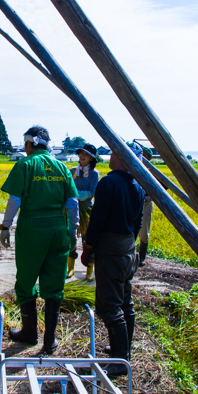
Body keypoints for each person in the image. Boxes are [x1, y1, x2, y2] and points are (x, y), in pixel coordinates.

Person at [0, 126, 79, 355]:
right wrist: (72, 232)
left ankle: (30, 333)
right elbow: (72, 203)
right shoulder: (61, 167)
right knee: (54, 285)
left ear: (30, 143)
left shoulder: (24, 165)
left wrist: (6, 226)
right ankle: (50, 340)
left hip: (32, 229)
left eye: (25, 145)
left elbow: (15, 199)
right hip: (57, 230)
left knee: (26, 281)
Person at [86, 144, 145, 376]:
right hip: (128, 249)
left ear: (120, 157)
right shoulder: (138, 186)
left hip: (110, 250)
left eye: (112, 153)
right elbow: (138, 223)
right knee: (125, 301)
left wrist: (89, 245)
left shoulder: (108, 184)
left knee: (110, 306)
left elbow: (98, 219)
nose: (109, 156)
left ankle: (120, 361)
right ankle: (124, 350)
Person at [69, 143, 100, 279]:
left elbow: (92, 192)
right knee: (71, 237)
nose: (82, 156)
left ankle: (89, 269)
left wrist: (78, 195)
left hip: (87, 210)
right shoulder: (72, 171)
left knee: (87, 239)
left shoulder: (94, 174)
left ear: (92, 158)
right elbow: (68, 188)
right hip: (72, 208)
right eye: (81, 153)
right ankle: (70, 268)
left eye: (86, 154)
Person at [137, 146, 154, 266]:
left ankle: (141, 257)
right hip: (134, 201)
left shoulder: (152, 172)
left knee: (144, 231)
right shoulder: (134, 168)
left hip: (146, 202)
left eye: (144, 155)